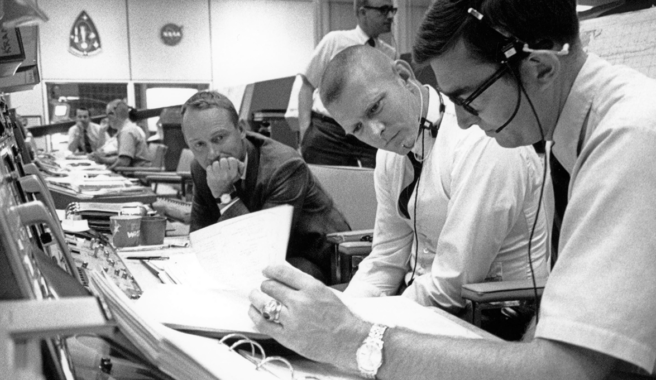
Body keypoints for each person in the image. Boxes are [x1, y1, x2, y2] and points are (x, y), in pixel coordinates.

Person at [248, 1, 656, 378]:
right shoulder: (578, 130)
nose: (460, 122)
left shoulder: (629, 137)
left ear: (541, 68)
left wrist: (352, 338)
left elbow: (565, 370)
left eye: (469, 99)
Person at [320, 45, 548, 328]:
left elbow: (454, 281)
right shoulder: (389, 156)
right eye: (357, 128)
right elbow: (386, 260)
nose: (375, 131)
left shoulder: (480, 138)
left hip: (496, 315)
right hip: (425, 307)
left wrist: (366, 324)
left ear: (403, 76)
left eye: (375, 107)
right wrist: (342, 314)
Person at [182, 90, 350, 284]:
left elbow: (259, 252)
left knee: (262, 284)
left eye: (219, 138)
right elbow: (200, 238)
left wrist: (224, 193)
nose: (212, 153)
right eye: (199, 145)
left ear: (242, 129)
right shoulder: (201, 168)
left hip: (313, 262)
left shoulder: (285, 166)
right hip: (255, 262)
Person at [292, 0, 397, 168]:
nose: (390, 16)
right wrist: (305, 132)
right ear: (363, 12)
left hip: (366, 135)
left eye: (392, 10)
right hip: (328, 134)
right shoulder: (334, 41)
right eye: (383, 10)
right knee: (325, 190)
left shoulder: (389, 54)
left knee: (369, 187)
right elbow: (306, 85)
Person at [91, 99, 152, 169]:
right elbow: (121, 157)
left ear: (113, 114)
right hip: (135, 172)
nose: (107, 119)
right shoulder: (129, 128)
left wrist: (108, 169)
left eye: (107, 115)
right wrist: (101, 160)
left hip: (138, 175)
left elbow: (124, 162)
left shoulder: (127, 132)